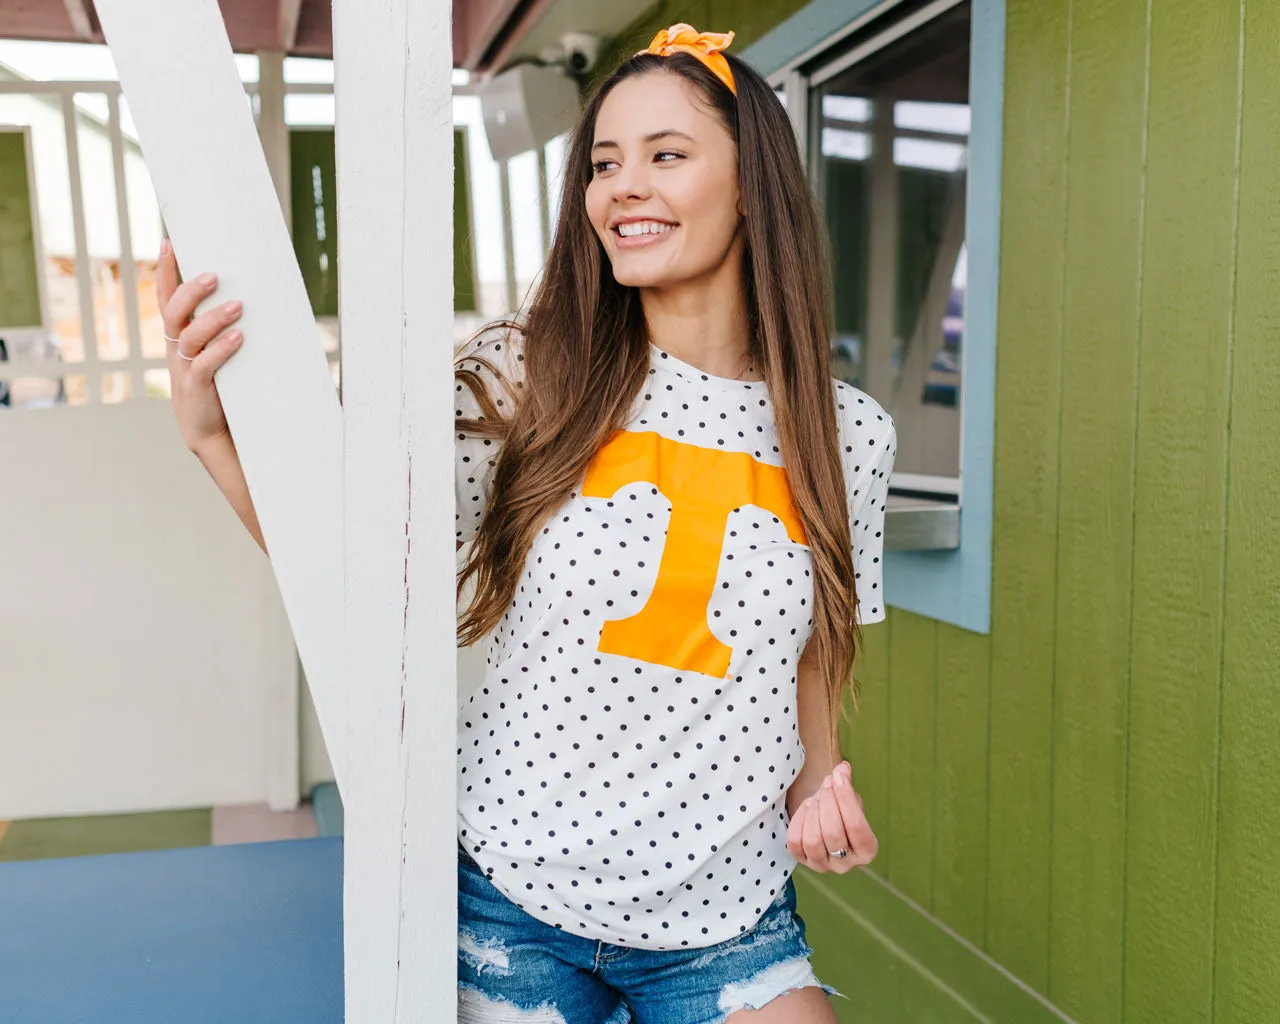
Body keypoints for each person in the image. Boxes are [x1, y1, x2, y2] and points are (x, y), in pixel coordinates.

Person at [157, 22, 895, 1024]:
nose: (620, 186)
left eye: (665, 155)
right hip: (511, 905)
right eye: (602, 163)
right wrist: (212, 441)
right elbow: (358, 563)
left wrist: (818, 790)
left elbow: (805, 655)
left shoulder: (847, 432)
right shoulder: (526, 370)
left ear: (751, 183)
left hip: (729, 922)